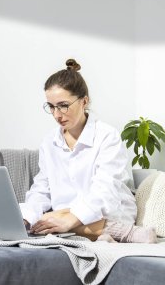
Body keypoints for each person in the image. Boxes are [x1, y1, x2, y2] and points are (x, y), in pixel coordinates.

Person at [19, 59, 157, 243]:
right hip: (66, 213)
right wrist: (26, 218)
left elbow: (105, 190)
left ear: (84, 101)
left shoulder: (107, 136)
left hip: (109, 210)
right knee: (38, 220)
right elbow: (42, 188)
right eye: (51, 107)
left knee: (48, 220)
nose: (57, 114)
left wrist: (69, 220)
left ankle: (124, 232)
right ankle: (105, 234)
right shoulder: (49, 142)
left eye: (63, 105)